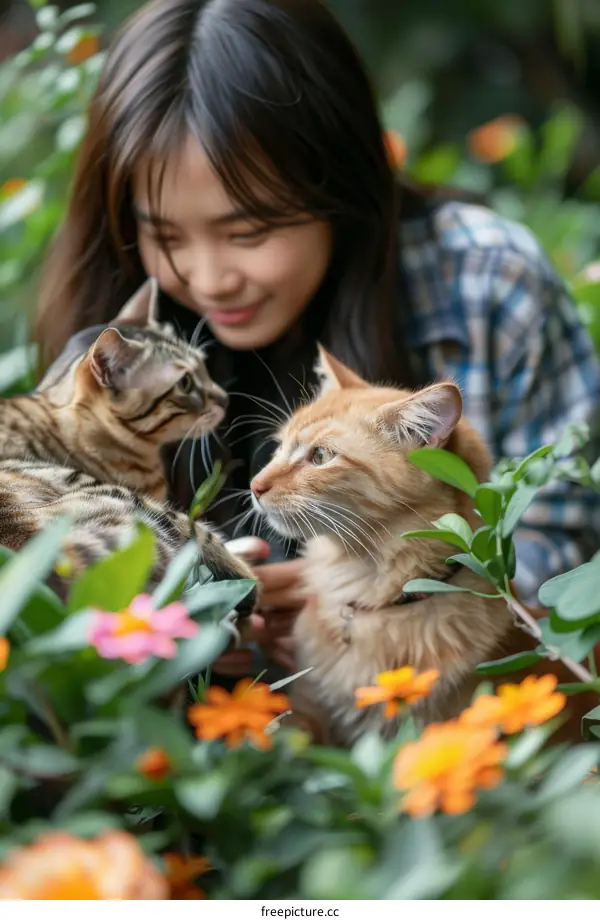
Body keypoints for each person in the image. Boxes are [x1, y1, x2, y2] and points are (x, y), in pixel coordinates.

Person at [35, 0, 600, 679]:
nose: (209, 280)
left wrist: (375, 604)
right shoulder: (119, 326)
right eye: (166, 234)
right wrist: (186, 621)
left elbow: (567, 563)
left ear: (335, 181)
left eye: (247, 232)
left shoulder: (486, 280)